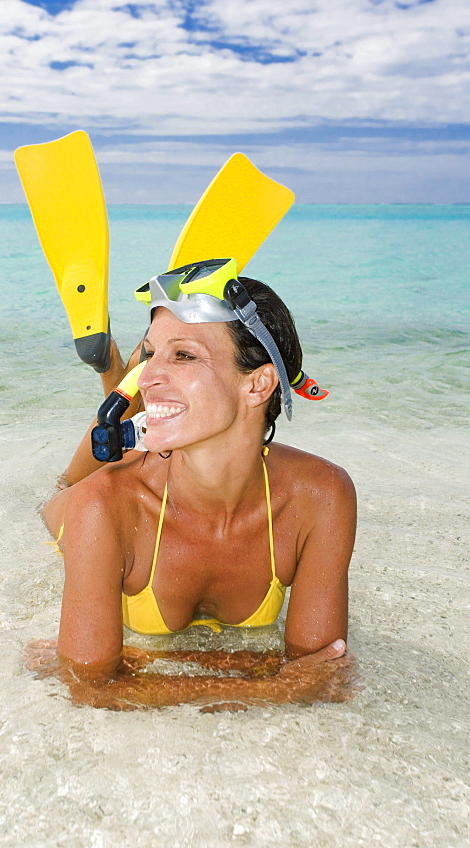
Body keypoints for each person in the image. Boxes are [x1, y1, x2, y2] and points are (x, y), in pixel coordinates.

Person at [26, 259, 357, 710]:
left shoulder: (322, 496)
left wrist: (158, 672)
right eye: (150, 355)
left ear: (259, 383)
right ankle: (111, 373)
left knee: (140, 429)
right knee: (72, 483)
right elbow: (87, 689)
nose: (150, 376)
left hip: (152, 461)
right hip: (86, 501)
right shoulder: (101, 507)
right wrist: (261, 683)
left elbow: (322, 675)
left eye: (183, 355)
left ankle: (116, 378)